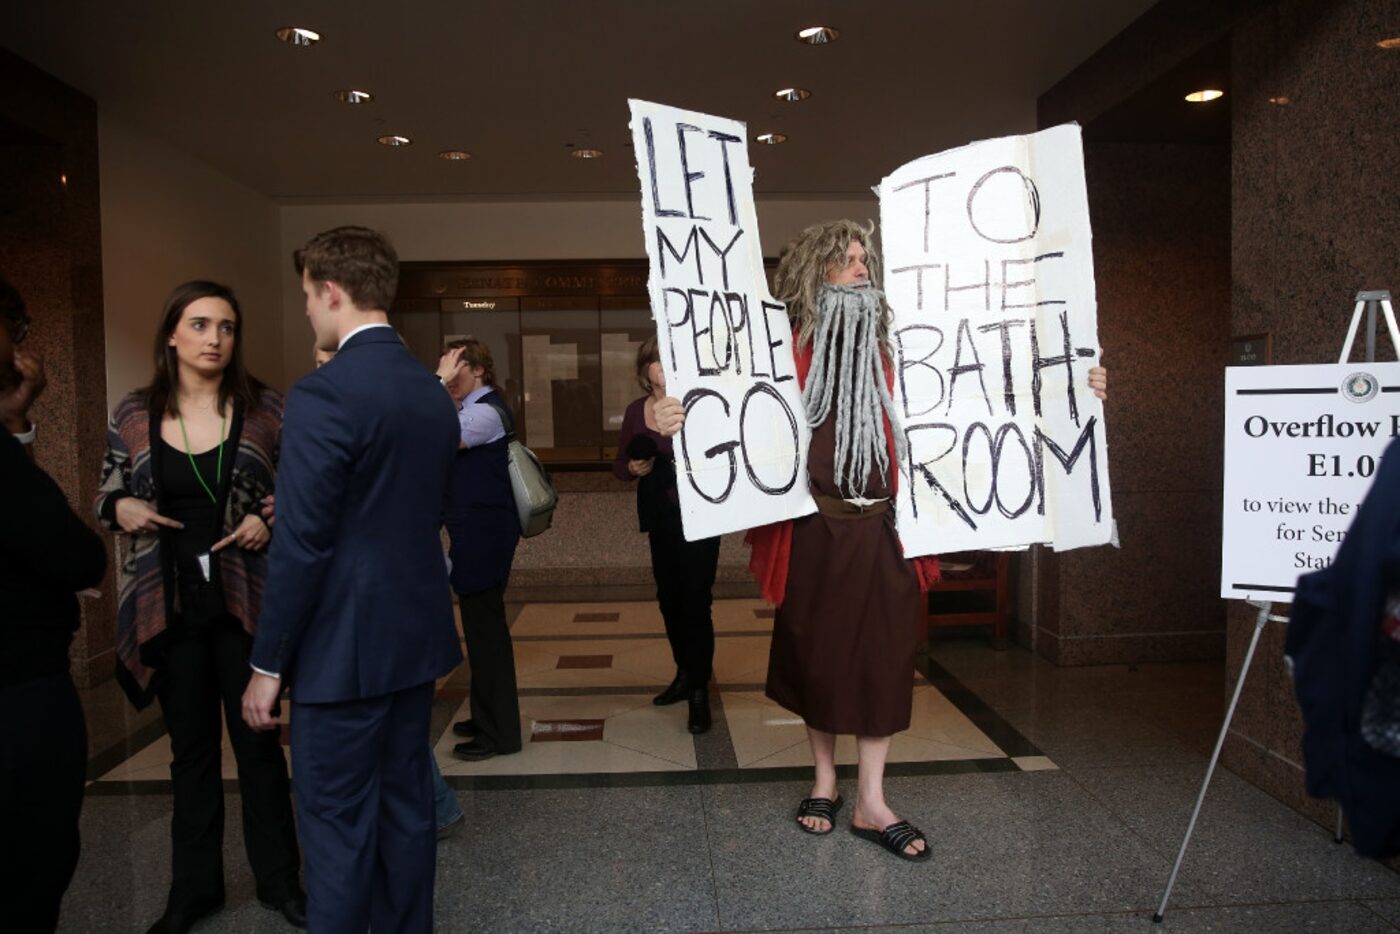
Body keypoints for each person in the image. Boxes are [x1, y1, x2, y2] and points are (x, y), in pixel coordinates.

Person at [655, 220, 1107, 861]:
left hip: (888, 529)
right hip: (813, 529)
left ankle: (871, 800)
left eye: (865, 258)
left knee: (883, 659)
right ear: (817, 273)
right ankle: (823, 781)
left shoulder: (906, 350)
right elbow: (715, 406)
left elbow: (989, 392)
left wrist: (1070, 390)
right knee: (814, 654)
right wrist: (661, 413)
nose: (861, 268)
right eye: (846, 259)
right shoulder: (778, 352)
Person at [241, 226, 462, 932]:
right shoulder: (432, 392)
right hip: (413, 637)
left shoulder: (322, 394)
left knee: (335, 831)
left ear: (332, 290)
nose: (307, 309)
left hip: (342, 649)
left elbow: (304, 543)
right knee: (404, 811)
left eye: (308, 295)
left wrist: (268, 663)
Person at [93, 281, 304, 931]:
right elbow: (108, 491)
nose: (215, 338)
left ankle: (280, 883)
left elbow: (302, 493)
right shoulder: (133, 412)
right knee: (190, 756)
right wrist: (120, 506)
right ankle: (194, 890)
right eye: (201, 324)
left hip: (245, 603)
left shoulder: (267, 409)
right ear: (172, 335)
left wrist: (271, 519)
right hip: (170, 604)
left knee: (261, 748)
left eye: (227, 327)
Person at [310, 343, 465, 838]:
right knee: (383, 715)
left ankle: (430, 809)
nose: (325, 368)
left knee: (390, 711)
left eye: (330, 357)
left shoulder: (393, 409)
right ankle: (427, 808)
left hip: (386, 586)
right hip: (354, 589)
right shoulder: (321, 408)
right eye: (318, 360)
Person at [0, 275, 107, 933]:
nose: (20, 348)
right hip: (15, 693)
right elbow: (72, 554)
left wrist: (14, 425)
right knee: (27, 871)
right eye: (15, 332)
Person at [613, 336, 720, 733]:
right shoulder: (634, 412)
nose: (663, 367)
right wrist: (633, 469)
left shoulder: (700, 402)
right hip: (659, 513)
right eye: (656, 361)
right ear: (645, 371)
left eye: (669, 359)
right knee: (669, 598)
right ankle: (683, 673)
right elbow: (620, 464)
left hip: (701, 514)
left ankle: (699, 691)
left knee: (696, 600)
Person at [436, 338, 524, 761]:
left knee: (486, 634)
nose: (451, 378)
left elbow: (436, 435)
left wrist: (436, 385)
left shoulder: (486, 412)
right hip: (479, 532)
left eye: (458, 369)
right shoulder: (476, 409)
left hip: (485, 535)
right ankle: (485, 715)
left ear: (480, 371)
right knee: (480, 629)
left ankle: (499, 734)